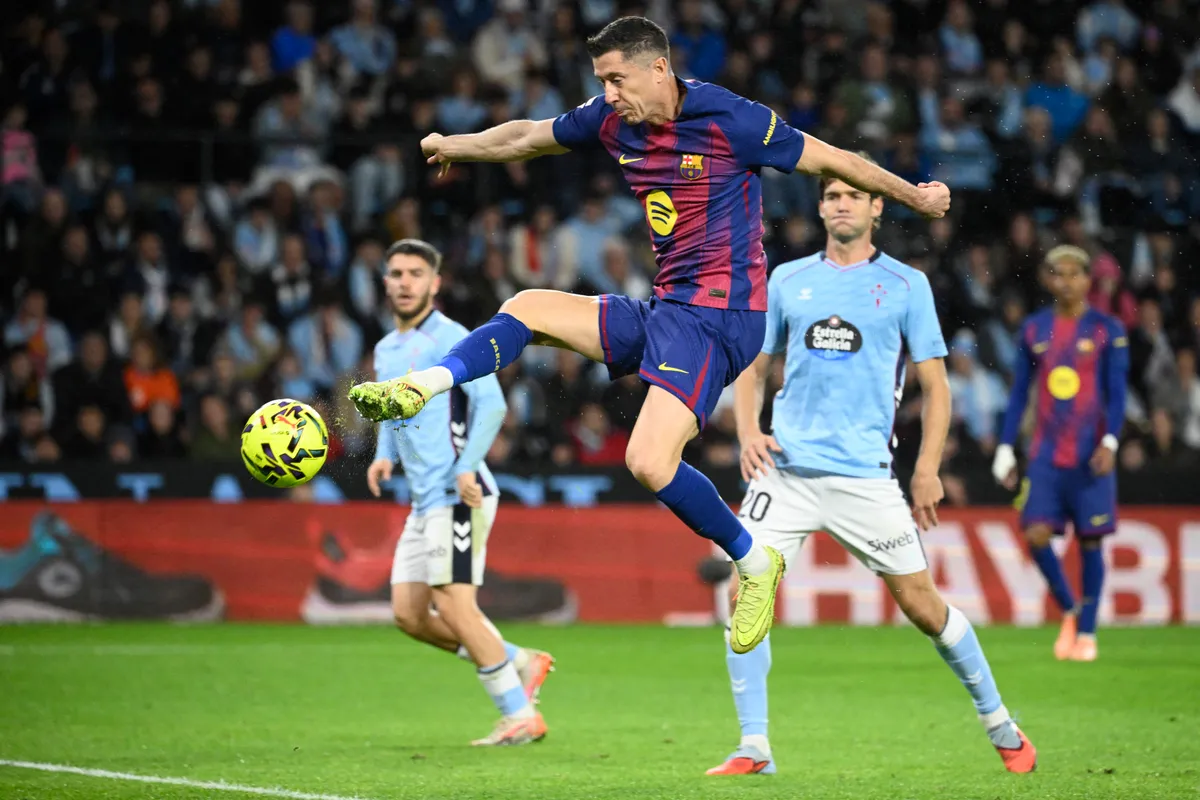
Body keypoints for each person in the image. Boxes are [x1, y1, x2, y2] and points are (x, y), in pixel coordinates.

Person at [349, 16, 951, 656]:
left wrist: (914, 196)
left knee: (646, 460)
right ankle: (427, 384)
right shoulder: (611, 120)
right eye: (600, 82)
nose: (608, 94)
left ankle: (753, 562)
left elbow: (832, 159)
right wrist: (455, 143)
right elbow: (527, 137)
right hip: (668, 310)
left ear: (658, 68)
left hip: (723, 316)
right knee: (527, 305)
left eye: (616, 80)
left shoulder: (732, 119)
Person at [708, 165, 1037, 776]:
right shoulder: (788, 279)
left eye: (851, 196)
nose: (839, 205)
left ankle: (999, 722)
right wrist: (750, 429)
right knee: (744, 590)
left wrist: (926, 471)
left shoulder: (906, 285)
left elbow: (936, 388)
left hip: (865, 478)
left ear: (877, 209)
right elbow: (755, 366)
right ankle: (754, 746)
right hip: (787, 474)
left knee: (922, 607)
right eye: (830, 195)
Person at [368, 238, 554, 746]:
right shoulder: (386, 349)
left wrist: (468, 466)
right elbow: (388, 407)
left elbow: (492, 405)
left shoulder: (452, 338)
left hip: (459, 494)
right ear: (385, 282)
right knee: (410, 615)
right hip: (422, 500)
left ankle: (519, 714)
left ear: (434, 283)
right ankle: (520, 660)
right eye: (396, 273)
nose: (404, 282)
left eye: (414, 273)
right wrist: (384, 453)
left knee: (454, 606)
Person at [992, 245, 1129, 663]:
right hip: (1046, 455)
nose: (1066, 282)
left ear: (1088, 279)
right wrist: (1004, 446)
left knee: (1090, 542)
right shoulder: (1034, 330)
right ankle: (1071, 609)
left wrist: (1110, 442)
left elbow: (1118, 393)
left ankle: (1086, 633)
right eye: (1057, 274)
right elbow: (1019, 394)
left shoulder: (1108, 329)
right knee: (1034, 535)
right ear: (1047, 279)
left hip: (1091, 454)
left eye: (1074, 274)